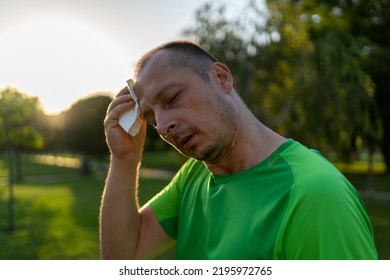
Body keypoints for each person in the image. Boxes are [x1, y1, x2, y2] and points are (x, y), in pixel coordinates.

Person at [100, 40, 377, 260]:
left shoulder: (316, 195)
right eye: (150, 117)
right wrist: (125, 158)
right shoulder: (193, 177)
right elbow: (122, 257)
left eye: (172, 98)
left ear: (221, 78)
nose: (162, 127)